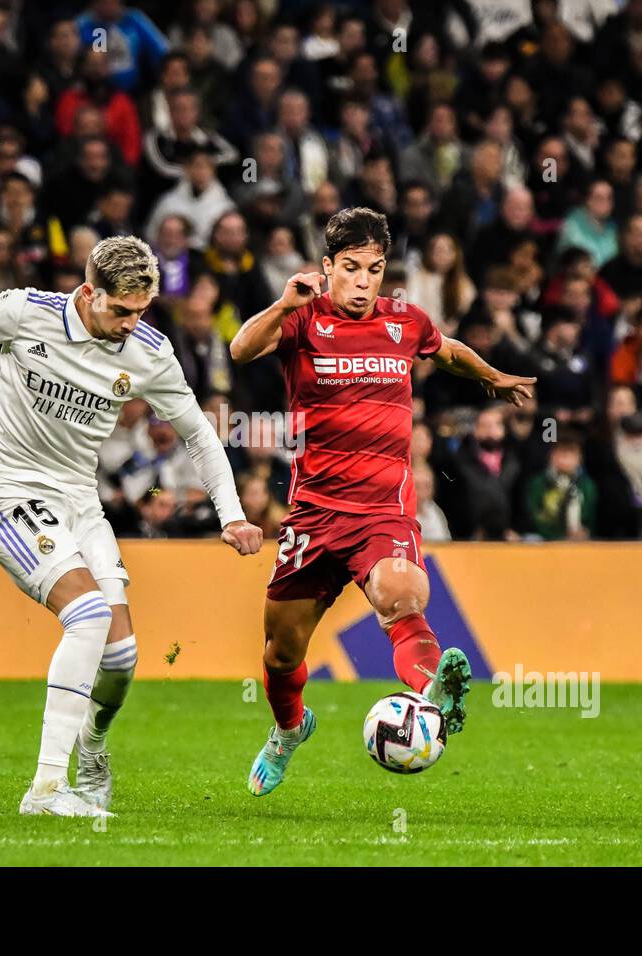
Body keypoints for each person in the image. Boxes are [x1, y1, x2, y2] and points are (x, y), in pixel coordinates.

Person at [0, 236, 261, 817]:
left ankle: (91, 749)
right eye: (120, 311)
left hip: (78, 500)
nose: (130, 324)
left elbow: (200, 434)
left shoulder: (149, 352)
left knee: (122, 658)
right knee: (86, 616)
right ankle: (44, 790)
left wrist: (233, 515)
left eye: (142, 311)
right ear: (88, 293)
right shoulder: (24, 311)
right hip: (3, 485)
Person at [228, 207, 534, 796]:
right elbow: (242, 350)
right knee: (281, 653)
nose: (364, 281)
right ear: (328, 267)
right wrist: (286, 303)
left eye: (374, 269)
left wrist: (492, 377)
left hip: (382, 509)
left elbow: (447, 351)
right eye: (351, 268)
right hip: (315, 512)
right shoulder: (303, 320)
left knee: (403, 595)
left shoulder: (405, 321)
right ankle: (289, 731)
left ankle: (431, 696)